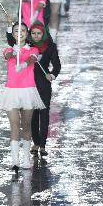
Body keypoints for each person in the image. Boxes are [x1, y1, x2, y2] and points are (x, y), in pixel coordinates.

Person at [0, 23, 45, 173]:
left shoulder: (33, 50)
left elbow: (32, 59)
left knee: (26, 125)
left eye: (23, 30)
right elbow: (7, 56)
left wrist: (24, 64)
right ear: (12, 34)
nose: (20, 33)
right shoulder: (8, 50)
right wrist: (14, 52)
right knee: (14, 124)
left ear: (27, 34)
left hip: (27, 92)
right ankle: (15, 160)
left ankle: (26, 156)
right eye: (17, 31)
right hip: (11, 92)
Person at [26, 22, 60, 159]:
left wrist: (51, 75)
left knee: (44, 114)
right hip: (29, 84)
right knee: (33, 115)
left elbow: (57, 65)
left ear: (43, 33)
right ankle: (36, 143)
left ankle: (43, 145)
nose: (36, 36)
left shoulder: (51, 47)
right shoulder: (27, 46)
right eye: (33, 33)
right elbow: (12, 41)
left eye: (39, 33)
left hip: (44, 84)